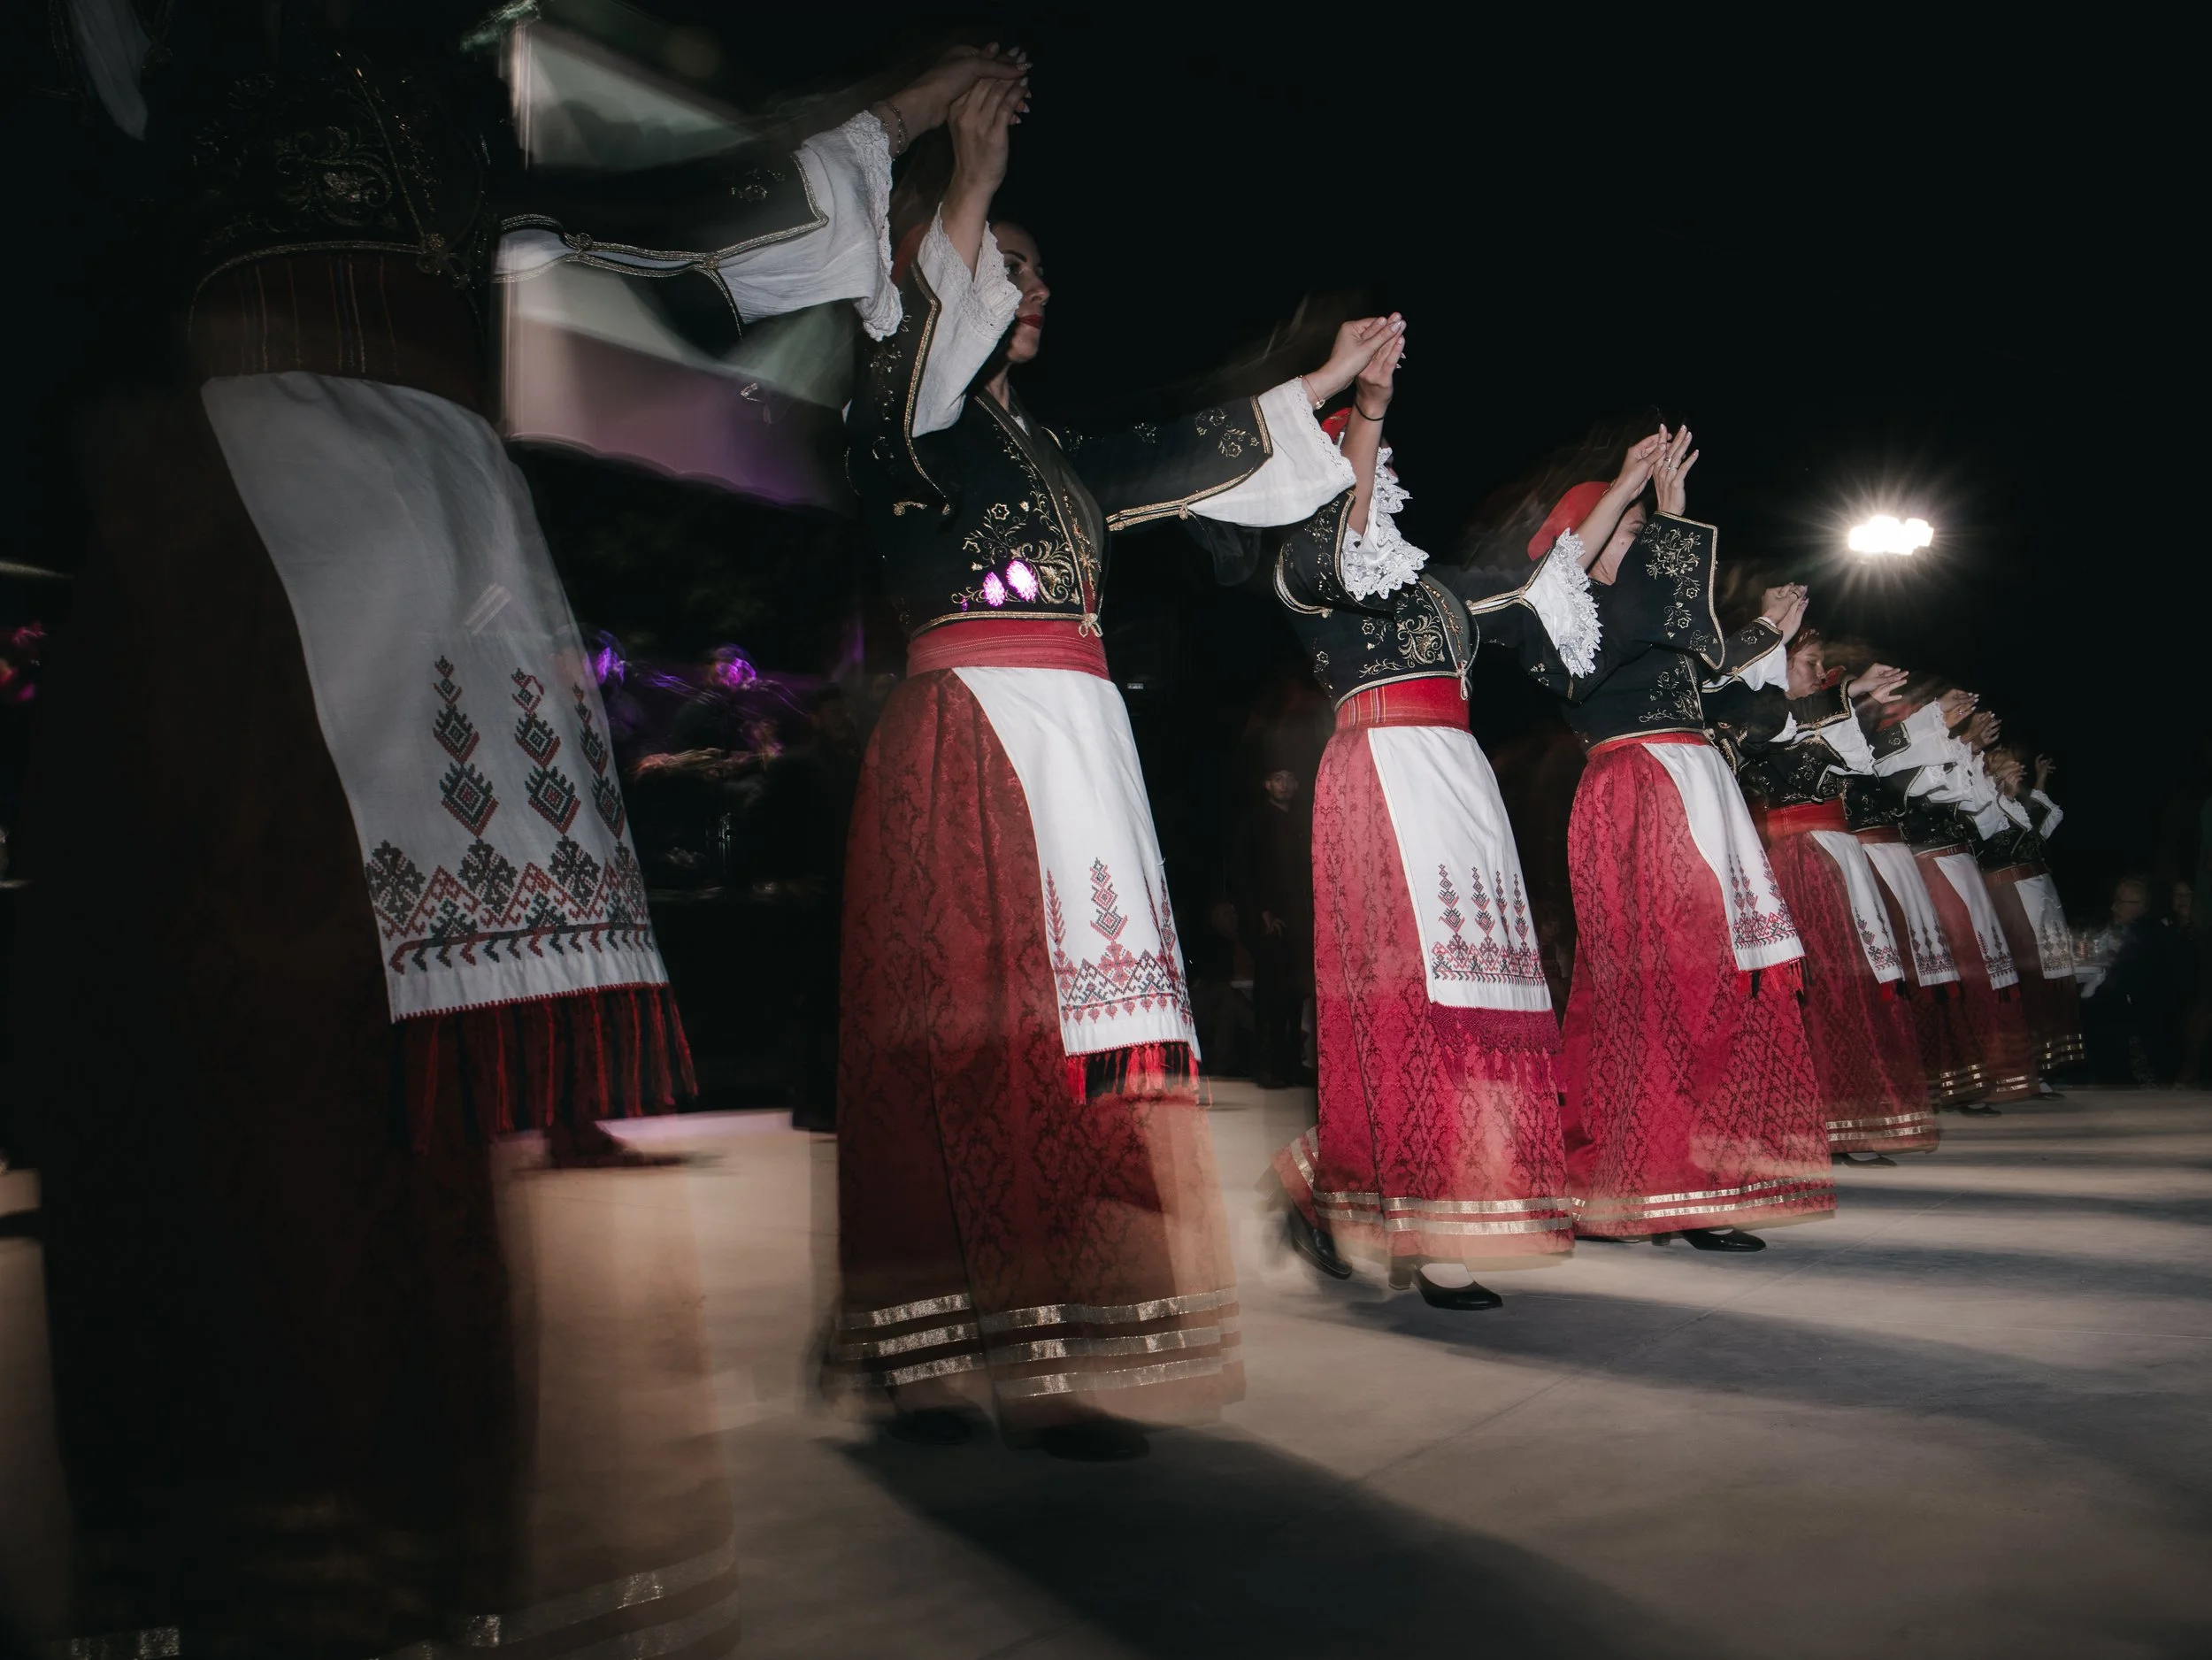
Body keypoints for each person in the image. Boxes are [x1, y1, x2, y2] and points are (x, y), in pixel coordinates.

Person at [10, 8, 1028, 1652]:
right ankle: (268, 1538)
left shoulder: (445, 94)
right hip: (243, 547)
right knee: (256, 1047)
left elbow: (697, 222)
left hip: (421, 542)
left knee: (407, 1093)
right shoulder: (187, 58)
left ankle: (395, 1523)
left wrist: (913, 124)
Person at [826, 70, 1386, 1455]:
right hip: (971, 745)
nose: (1037, 289)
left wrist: (1322, 388)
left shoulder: (1050, 450)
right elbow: (920, 338)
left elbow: (1184, 457)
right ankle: (939, 1346)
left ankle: (1067, 1339)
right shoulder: (902, 411)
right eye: (1010, 266)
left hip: (1078, 752)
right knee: (974, 1041)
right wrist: (968, 175)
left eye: (1039, 275)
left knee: (1091, 1046)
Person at [1250, 336, 1603, 1310]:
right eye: (1351, 463)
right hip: (1380, 781)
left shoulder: (1436, 588)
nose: (1371, 476)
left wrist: (1617, 488)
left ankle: (1380, 1199)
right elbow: (1344, 539)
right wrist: (1366, 407)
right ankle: (1390, 1210)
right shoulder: (1304, 572)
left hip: (1458, 788)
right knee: (1410, 1009)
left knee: (1481, 1009)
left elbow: (1552, 572)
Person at [1548, 428, 1834, 1249]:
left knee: (1715, 994)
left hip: (1696, 801)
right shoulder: (1574, 618)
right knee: (1659, 996)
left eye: (1644, 535)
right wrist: (1670, 510)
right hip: (1640, 802)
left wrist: (1768, 639)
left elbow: (1733, 690)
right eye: (1629, 534)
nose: (1643, 547)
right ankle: (1633, 1180)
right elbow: (1655, 618)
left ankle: (1699, 1187)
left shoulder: (1659, 630)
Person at [1736, 633, 1936, 1165]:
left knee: (1860, 982)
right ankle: (1821, 1119)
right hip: (1802, 859)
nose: (1820, 672)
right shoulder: (1761, 722)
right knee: (1824, 987)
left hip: (1839, 855)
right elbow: (1791, 751)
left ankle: (1854, 1117)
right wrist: (1851, 692)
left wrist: (1860, 700)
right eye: (1810, 663)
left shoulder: (1819, 719)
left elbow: (1864, 762)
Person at [1872, 690, 2040, 1105]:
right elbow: (1930, 789)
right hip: (1931, 865)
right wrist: (1965, 744)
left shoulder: (1948, 757)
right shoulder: (1897, 758)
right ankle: (1960, 1076)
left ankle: (1995, 1072)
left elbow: (1980, 815)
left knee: (1984, 965)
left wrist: (1971, 750)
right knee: (1960, 965)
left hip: (1957, 864)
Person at [1980, 746, 2086, 1079]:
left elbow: (2037, 826)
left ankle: (2044, 1063)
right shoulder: (1985, 804)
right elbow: (1996, 837)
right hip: (2013, 894)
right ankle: (2023, 1064)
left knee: (2050, 972)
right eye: (2005, 760)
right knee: (2028, 972)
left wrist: (2036, 781)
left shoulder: (2011, 804)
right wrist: (2001, 792)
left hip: (2038, 892)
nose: (2016, 765)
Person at [1232, 766, 1316, 1088]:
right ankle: (1266, 1065)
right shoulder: (1256, 820)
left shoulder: (1298, 820)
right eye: (1278, 778)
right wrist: (1261, 912)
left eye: (1291, 778)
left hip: (1298, 918)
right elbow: (1243, 870)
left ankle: (1292, 1063)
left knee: (1296, 992)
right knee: (1271, 993)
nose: (1285, 784)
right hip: (1267, 919)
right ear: (1267, 783)